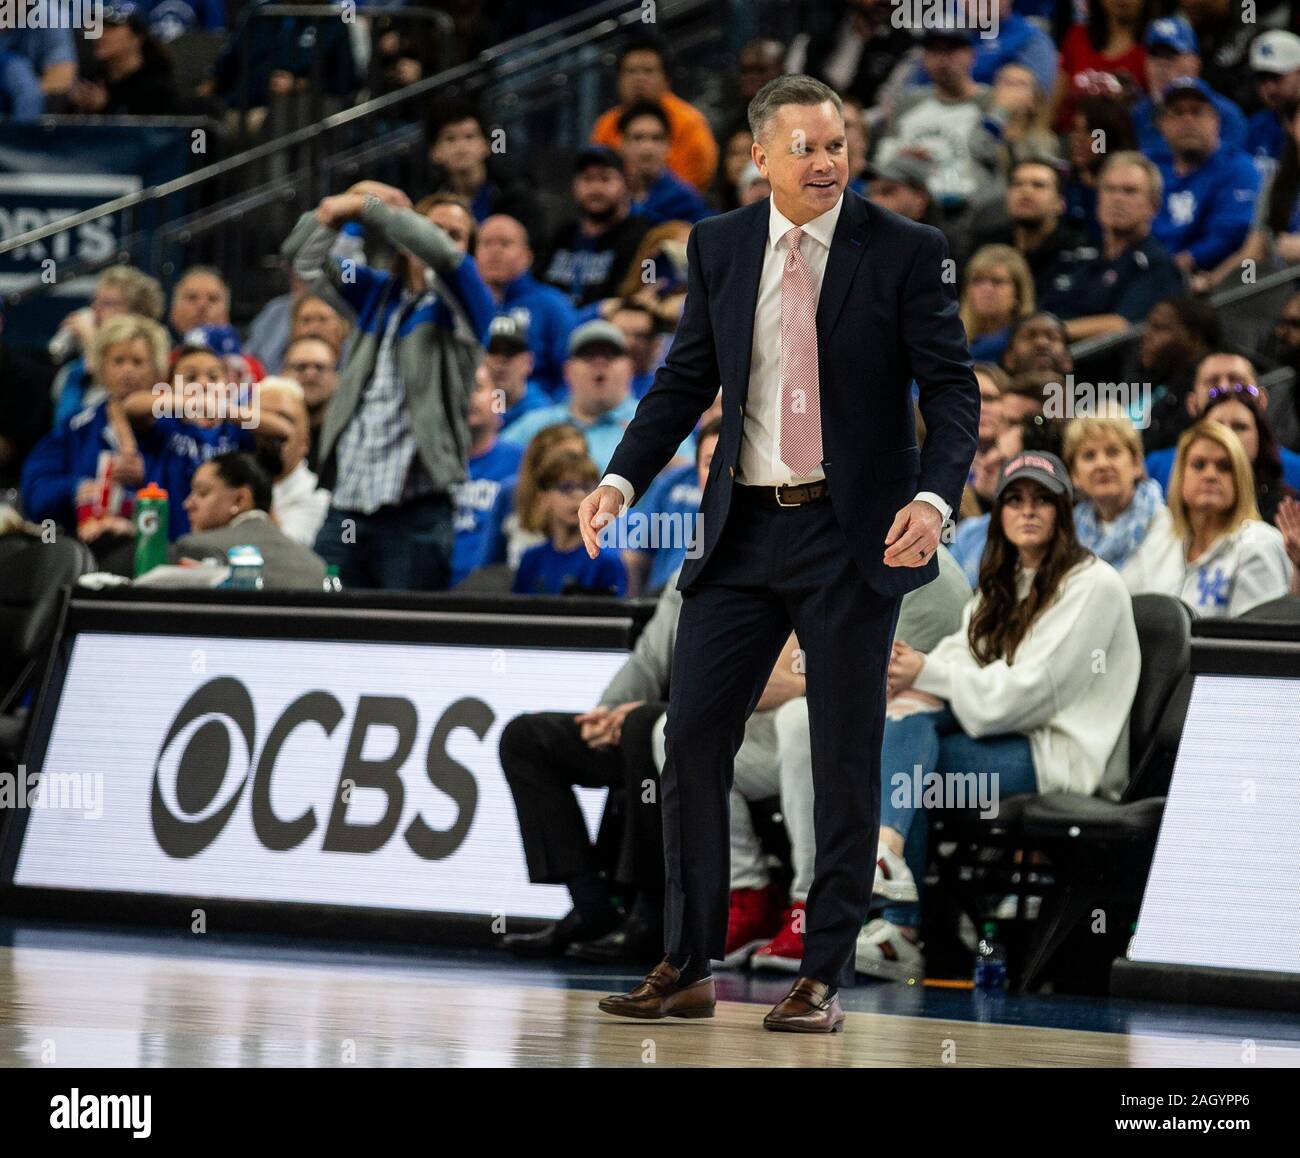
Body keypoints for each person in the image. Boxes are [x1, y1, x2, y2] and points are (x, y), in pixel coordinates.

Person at [584, 75, 979, 1031]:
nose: (826, 161)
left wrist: (934, 495)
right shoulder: (718, 246)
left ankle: (822, 975)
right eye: (804, 146)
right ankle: (686, 963)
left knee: (842, 752)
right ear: (758, 157)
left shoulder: (907, 251)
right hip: (745, 525)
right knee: (689, 739)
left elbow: (953, 391)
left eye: (837, 143)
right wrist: (621, 479)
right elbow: (684, 382)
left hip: (853, 535)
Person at [867, 450, 1141, 980]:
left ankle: (899, 916)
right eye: (1014, 499)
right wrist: (911, 669)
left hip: (1060, 754)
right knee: (903, 720)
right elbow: (956, 656)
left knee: (911, 757)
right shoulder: (1006, 581)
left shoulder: (1094, 584)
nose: (1028, 510)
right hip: (1005, 737)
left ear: (1065, 511)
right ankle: (890, 872)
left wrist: (927, 674)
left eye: (1042, 499)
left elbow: (1028, 695)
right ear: (1000, 516)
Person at [283, 180, 492, 591]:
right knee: (323, 634)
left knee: (405, 643)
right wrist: (333, 209)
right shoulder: (378, 295)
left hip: (416, 516)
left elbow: (443, 258)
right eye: (434, 227)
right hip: (346, 507)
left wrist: (373, 206)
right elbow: (302, 259)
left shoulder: (469, 307)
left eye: (456, 234)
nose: (442, 239)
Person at [502, 320, 693, 473]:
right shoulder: (536, 425)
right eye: (588, 356)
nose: (600, 363)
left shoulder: (655, 423)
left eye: (610, 356)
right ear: (567, 371)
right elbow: (493, 462)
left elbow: (690, 480)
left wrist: (657, 456)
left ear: (630, 368)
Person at [1150, 419, 1294, 616]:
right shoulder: (1161, 540)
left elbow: (1256, 641)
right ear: (1180, 476)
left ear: (1240, 479)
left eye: (1224, 466)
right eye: (1199, 465)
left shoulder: (1259, 544)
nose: (1210, 475)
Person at [1040, 151, 1186, 342]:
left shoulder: (1157, 265)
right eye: (1109, 189)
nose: (1117, 199)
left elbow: (1121, 324)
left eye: (1129, 191)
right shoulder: (1075, 255)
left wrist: (1047, 331)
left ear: (1154, 205)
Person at [1151, 77, 1260, 277]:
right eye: (1177, 112)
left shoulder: (1238, 168)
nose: (1188, 120)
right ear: (1162, 124)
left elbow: (1230, 235)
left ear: (1215, 120)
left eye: (1197, 111)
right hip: (1149, 271)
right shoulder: (1149, 166)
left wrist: (1174, 267)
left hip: (1211, 280)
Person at [174, 453, 328, 590]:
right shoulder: (318, 567)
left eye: (202, 493)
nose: (188, 504)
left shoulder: (196, 549)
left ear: (241, 499)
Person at [1064, 414, 1180, 593]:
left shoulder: (1168, 526)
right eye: (1089, 456)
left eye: (1113, 452)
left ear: (1136, 464)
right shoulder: (1068, 536)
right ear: (1074, 475)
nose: (1101, 464)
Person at [588, 37, 719, 192]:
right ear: (619, 80)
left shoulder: (690, 123)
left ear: (666, 80)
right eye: (631, 71)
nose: (639, 79)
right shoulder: (606, 124)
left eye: (648, 71)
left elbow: (695, 183)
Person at [50, 265, 166, 428]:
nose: (96, 310)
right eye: (96, 301)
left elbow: (121, 402)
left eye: (109, 303)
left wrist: (93, 343)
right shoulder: (73, 373)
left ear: (138, 312)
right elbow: (65, 427)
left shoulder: (160, 359)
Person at [537, 146, 651, 310]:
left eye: (605, 179)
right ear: (574, 185)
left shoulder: (642, 237)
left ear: (626, 185)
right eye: (587, 179)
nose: (595, 188)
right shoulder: (562, 236)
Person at [477, 214, 578, 398]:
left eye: (505, 243)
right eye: (486, 243)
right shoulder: (463, 303)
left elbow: (572, 371)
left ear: (527, 256)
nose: (495, 251)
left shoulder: (552, 305)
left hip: (535, 413)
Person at [1133, 17, 1247, 166]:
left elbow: (1234, 166)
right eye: (1155, 55)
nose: (1161, 65)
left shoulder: (1226, 114)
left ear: (1195, 62)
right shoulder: (1138, 113)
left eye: (1171, 56)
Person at [512, 451, 626, 597]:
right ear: (543, 497)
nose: (578, 496)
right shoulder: (531, 559)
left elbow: (615, 617)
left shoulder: (607, 561)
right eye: (566, 487)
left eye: (586, 487)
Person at [450, 368, 523, 587]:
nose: (469, 396)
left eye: (478, 388)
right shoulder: (427, 465)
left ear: (497, 398)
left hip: (492, 587)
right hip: (432, 583)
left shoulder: (520, 461)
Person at [255, 377, 330, 549]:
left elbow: (284, 557)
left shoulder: (316, 495)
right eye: (262, 421)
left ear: (305, 441)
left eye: (285, 419)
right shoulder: (227, 479)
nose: (271, 431)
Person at [619, 102, 714, 226]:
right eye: (638, 138)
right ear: (622, 145)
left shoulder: (684, 201)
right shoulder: (609, 195)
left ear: (668, 146)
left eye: (656, 138)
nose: (647, 147)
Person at [959, 245, 1035, 365]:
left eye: (997, 281)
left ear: (1018, 292)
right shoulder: (951, 341)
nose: (986, 289)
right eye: (977, 281)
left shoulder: (1031, 344)